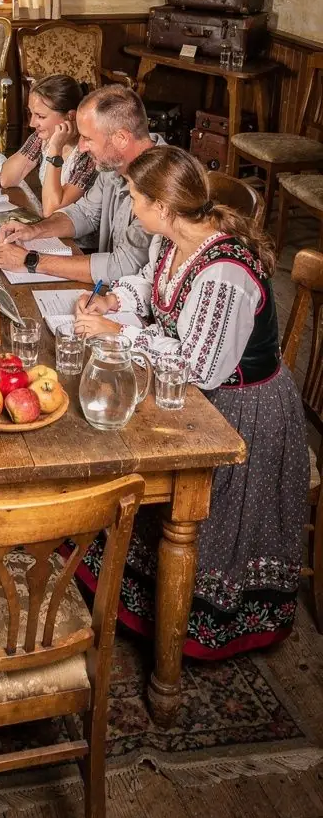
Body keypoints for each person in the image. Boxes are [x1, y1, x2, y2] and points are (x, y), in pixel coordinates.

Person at [73, 146, 308, 657]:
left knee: (127, 443)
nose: (130, 206)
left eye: (135, 198)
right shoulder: (174, 243)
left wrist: (117, 334)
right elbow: (151, 289)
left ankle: (201, 625)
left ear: (164, 207)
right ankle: (131, 586)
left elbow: (202, 366)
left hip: (240, 412)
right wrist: (113, 298)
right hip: (194, 394)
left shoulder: (224, 272)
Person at [0, 84, 165, 284]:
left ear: (121, 138)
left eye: (87, 138)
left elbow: (121, 267)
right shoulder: (114, 166)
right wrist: (33, 230)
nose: (81, 147)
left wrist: (31, 261)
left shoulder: (161, 183)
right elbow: (84, 213)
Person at [0, 74, 97, 217]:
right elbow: (7, 179)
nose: (32, 124)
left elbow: (52, 210)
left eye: (41, 116)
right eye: (30, 113)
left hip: (77, 235)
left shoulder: (88, 153)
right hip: (52, 227)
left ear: (70, 116)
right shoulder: (44, 136)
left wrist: (55, 149)